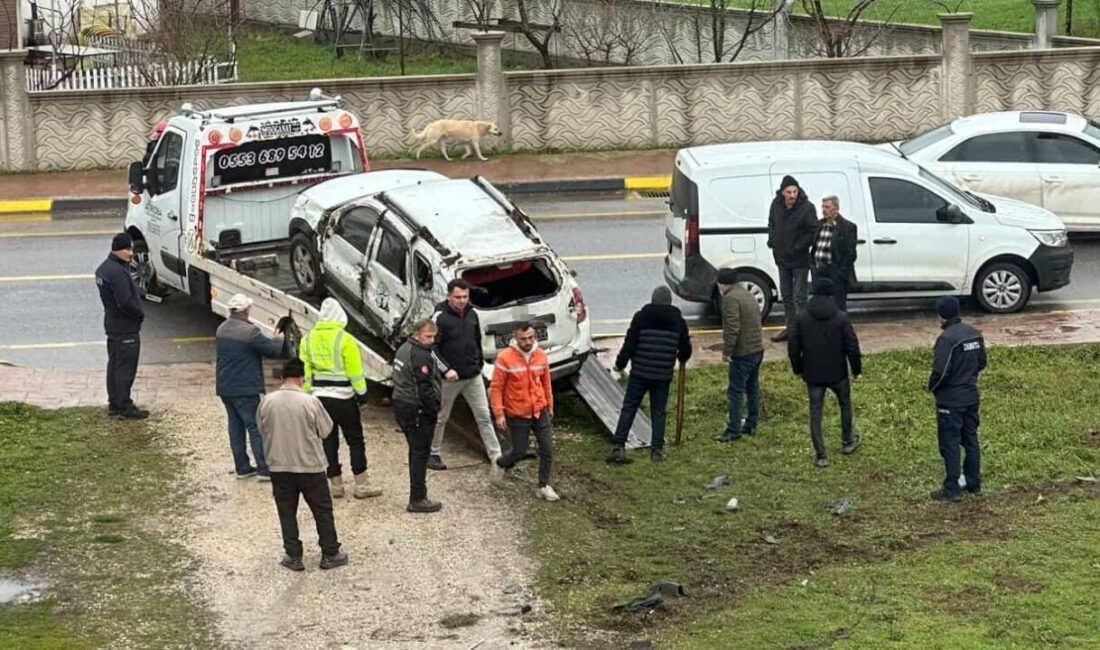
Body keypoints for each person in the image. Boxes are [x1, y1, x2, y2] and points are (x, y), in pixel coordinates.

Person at [257, 358, 348, 571]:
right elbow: (326, 430)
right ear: (301, 377)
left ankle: (293, 555)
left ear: (282, 377)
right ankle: (330, 552)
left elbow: (262, 428)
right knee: (322, 510)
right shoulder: (310, 402)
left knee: (286, 511)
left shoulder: (267, 401)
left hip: (279, 466)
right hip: (309, 466)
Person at [300, 298, 382, 500]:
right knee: (354, 439)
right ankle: (361, 484)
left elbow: (306, 373)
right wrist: (362, 395)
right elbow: (355, 372)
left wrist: (308, 393)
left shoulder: (307, 339)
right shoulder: (345, 340)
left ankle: (335, 485)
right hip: (344, 399)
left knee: (328, 440)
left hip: (320, 399)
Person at [607, 286, 692, 464]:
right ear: (669, 302)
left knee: (629, 407)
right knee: (658, 412)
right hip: (662, 375)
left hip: (640, 373)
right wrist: (681, 357)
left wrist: (620, 364)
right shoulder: (678, 322)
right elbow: (685, 350)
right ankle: (657, 451)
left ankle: (618, 446)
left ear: (653, 300)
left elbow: (629, 344)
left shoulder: (641, 317)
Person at [429, 279, 503, 475]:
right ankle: (433, 452)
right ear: (448, 296)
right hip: (449, 379)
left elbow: (476, 341)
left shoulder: (472, 314)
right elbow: (431, 348)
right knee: (441, 416)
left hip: (472, 375)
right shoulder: (439, 317)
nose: (462, 301)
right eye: (458, 297)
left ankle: (496, 455)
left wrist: (479, 364)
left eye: (465, 297)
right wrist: (445, 370)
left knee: (484, 416)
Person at [787, 277, 863, 468]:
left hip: (813, 374)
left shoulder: (802, 317)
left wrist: (798, 369)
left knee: (815, 412)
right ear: (831, 294)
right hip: (838, 373)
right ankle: (847, 441)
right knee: (845, 405)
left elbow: (793, 347)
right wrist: (856, 370)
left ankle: (821, 455)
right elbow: (852, 346)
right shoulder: (841, 317)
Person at [215, 293, 287, 481]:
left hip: (225, 387)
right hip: (245, 388)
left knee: (235, 427)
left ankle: (242, 468)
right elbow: (272, 350)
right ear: (246, 310)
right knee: (255, 426)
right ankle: (264, 469)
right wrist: (279, 338)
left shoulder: (221, 329)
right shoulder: (250, 332)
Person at [491, 322, 559, 501]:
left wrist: (549, 405)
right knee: (519, 451)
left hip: (539, 409)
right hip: (517, 413)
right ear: (515, 337)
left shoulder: (541, 355)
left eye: (531, 337)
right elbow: (496, 388)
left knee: (547, 449)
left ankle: (544, 485)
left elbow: (546, 383)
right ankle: (501, 462)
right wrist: (499, 414)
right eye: (523, 339)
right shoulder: (505, 358)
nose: (528, 342)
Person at [927, 296, 986, 502]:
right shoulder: (974, 334)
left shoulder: (946, 339)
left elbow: (940, 372)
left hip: (950, 401)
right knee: (970, 438)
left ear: (941, 314)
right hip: (971, 396)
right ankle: (973, 481)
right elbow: (981, 362)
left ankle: (952, 487)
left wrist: (932, 388)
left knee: (950, 443)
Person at [391, 319, 444, 513]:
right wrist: (433, 410)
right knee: (420, 453)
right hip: (416, 409)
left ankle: (418, 494)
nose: (431, 340)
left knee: (415, 450)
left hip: (401, 404)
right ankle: (418, 498)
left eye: (433, 336)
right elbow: (425, 388)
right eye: (427, 336)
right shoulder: (420, 355)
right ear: (416, 334)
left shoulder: (404, 349)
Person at [94, 232, 148, 420]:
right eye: (128, 249)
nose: (131, 253)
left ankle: (115, 403)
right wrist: (139, 315)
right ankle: (124, 405)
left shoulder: (104, 269)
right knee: (125, 368)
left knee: (115, 365)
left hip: (112, 325)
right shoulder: (117, 273)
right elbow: (124, 302)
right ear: (119, 250)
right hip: (125, 327)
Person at [715, 268, 765, 443]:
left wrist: (727, 351)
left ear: (722, 284)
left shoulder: (730, 299)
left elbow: (732, 328)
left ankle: (733, 429)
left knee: (735, 391)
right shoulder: (747, 294)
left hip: (742, 353)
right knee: (752, 388)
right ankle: (751, 424)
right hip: (757, 349)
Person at [767, 175, 818, 342]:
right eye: (788, 192)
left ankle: (804, 330)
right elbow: (771, 223)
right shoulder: (776, 205)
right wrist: (772, 240)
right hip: (782, 258)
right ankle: (790, 328)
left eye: (795, 191)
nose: (792, 195)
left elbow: (813, 231)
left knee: (799, 296)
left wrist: (798, 247)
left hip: (799, 260)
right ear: (782, 192)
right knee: (786, 296)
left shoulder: (807, 208)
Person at [810, 195, 858, 312]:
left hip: (835, 270)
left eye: (827, 207)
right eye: (823, 207)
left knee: (838, 306)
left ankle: (840, 329)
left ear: (836, 208)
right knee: (820, 305)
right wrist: (812, 265)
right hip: (819, 270)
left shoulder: (847, 227)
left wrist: (841, 272)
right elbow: (813, 246)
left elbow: (850, 253)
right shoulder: (819, 225)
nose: (824, 210)